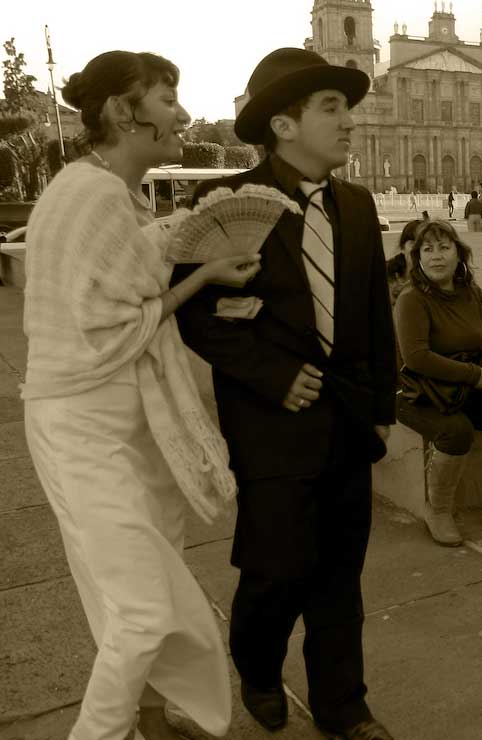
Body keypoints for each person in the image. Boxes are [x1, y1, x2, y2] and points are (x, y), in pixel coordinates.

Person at [22, 50, 257, 740]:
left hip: (124, 417)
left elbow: (133, 275)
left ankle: (146, 716)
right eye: (166, 97)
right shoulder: (88, 193)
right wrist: (203, 273)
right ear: (124, 113)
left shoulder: (112, 191)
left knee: (130, 588)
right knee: (144, 605)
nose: (182, 113)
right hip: (82, 423)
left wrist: (194, 264)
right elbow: (115, 318)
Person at [173, 48, 398, 740]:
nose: (350, 121)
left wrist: (382, 412)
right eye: (330, 107)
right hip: (271, 425)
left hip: (350, 422)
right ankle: (259, 666)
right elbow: (195, 314)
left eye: (347, 107)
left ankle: (343, 706)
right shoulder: (220, 204)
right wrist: (272, 376)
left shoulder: (358, 206)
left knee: (339, 576)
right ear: (282, 124)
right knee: (275, 571)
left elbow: (373, 316)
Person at [394, 219, 482, 544]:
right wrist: (476, 375)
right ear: (417, 258)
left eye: (444, 247)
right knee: (456, 432)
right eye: (427, 249)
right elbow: (417, 358)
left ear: (459, 253)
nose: (436, 256)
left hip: (464, 387)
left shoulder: (471, 293)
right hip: (418, 393)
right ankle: (438, 510)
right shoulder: (411, 299)